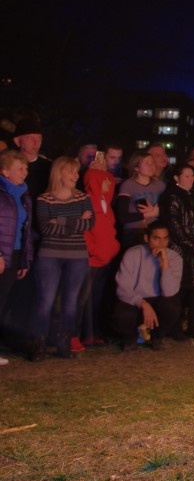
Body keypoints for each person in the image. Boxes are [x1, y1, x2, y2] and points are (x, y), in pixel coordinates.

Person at [32, 157, 95, 359]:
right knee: (46, 300)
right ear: (59, 173)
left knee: (70, 302)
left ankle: (64, 344)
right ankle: (39, 344)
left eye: (76, 171)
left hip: (77, 256)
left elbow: (89, 224)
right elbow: (45, 228)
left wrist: (59, 220)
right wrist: (76, 221)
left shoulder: (82, 198)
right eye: (71, 171)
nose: (75, 176)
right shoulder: (44, 199)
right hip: (50, 255)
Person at [113, 222, 183, 351]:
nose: (161, 243)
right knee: (123, 312)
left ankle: (157, 338)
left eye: (165, 239)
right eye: (157, 238)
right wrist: (143, 303)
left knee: (172, 306)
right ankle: (130, 339)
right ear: (147, 238)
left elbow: (169, 292)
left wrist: (164, 263)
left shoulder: (174, 258)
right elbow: (123, 289)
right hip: (136, 299)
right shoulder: (132, 254)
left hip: (159, 299)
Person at [78, 150, 121, 347]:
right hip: (92, 259)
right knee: (84, 299)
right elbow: (85, 231)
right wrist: (94, 250)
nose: (109, 184)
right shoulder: (87, 203)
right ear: (96, 181)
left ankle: (93, 332)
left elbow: (110, 228)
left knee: (96, 298)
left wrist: (112, 248)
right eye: (105, 180)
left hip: (104, 258)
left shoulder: (105, 204)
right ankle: (80, 334)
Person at [161, 163, 194, 338]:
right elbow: (174, 225)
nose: (191, 179)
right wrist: (190, 245)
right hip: (179, 250)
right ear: (176, 178)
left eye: (192, 176)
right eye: (186, 176)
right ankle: (175, 327)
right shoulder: (172, 196)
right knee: (179, 289)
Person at [0, 150, 34, 365]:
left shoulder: (23, 195)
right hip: (2, 254)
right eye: (19, 168)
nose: (24, 172)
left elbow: (26, 230)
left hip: (15, 253)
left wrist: (24, 259)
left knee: (3, 302)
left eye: (26, 168)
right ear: (5, 172)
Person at [115, 153, 165, 249]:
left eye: (152, 163)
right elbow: (123, 216)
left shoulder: (160, 185)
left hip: (156, 231)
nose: (151, 166)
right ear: (136, 168)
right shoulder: (128, 185)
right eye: (146, 163)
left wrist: (158, 211)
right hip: (134, 231)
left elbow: (169, 209)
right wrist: (149, 214)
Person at [12, 116, 51, 201]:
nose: (36, 142)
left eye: (39, 138)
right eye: (30, 138)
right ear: (17, 141)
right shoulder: (7, 166)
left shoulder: (49, 168)